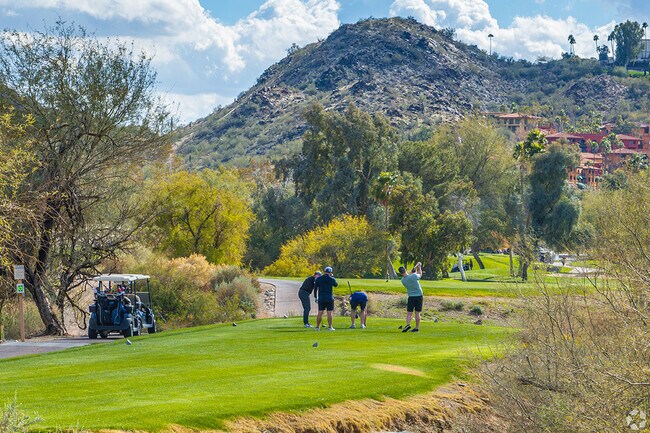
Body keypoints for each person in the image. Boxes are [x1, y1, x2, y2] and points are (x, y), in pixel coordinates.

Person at [399, 262, 423, 333]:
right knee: (417, 313)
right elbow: (420, 274)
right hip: (419, 295)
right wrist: (419, 267)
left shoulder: (403, 280)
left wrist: (412, 272)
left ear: (400, 273)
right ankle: (416, 328)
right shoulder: (414, 276)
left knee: (409, 312)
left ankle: (408, 324)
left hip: (411, 297)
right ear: (405, 269)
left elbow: (408, 276)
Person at [313, 266, 338, 331]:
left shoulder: (318, 279)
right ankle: (330, 327)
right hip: (329, 298)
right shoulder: (332, 279)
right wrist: (332, 276)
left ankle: (317, 327)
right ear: (330, 272)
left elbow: (315, 289)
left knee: (320, 312)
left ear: (324, 271)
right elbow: (336, 285)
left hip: (321, 298)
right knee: (329, 313)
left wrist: (315, 297)